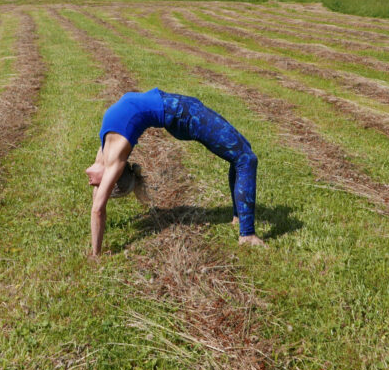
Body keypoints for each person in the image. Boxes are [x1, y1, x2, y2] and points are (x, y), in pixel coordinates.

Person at [86, 88, 264, 256]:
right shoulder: (114, 156)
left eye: (96, 185)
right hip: (183, 114)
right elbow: (98, 209)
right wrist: (96, 254)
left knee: (242, 152)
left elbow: (98, 202)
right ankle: (247, 234)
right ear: (113, 177)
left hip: (181, 110)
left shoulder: (105, 150)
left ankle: (238, 217)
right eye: (99, 185)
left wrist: (102, 190)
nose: (92, 183)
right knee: (246, 159)